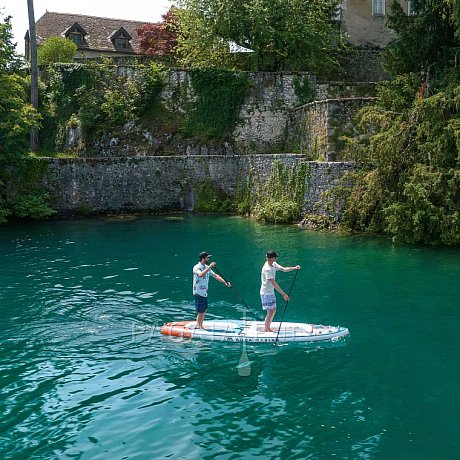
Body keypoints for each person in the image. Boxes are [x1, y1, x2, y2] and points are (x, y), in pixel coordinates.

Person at [260, 250, 301, 332]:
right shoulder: (267, 269)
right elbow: (274, 284)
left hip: (270, 292)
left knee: (273, 310)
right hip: (266, 293)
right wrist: (284, 295)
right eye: (275, 257)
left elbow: (284, 269)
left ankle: (268, 327)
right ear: (271, 258)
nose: (276, 258)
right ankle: (266, 329)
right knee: (270, 311)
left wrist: (294, 268)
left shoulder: (273, 264)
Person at [193, 251, 231, 329]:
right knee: (201, 311)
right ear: (203, 259)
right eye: (207, 257)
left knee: (204, 309)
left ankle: (200, 325)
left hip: (204, 292)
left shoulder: (207, 267)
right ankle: (198, 326)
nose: (208, 259)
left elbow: (215, 276)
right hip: (198, 292)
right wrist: (209, 267)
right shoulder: (196, 267)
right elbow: (200, 274)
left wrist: (225, 282)